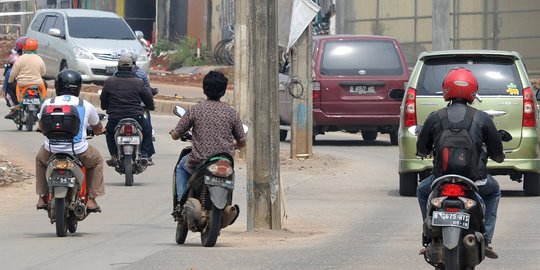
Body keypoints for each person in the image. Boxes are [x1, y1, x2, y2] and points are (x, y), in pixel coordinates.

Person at [416, 67, 505, 259]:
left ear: (446, 89)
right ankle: (487, 238)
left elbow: (422, 149)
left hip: (441, 179)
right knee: (494, 191)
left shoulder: (435, 117)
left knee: (422, 191)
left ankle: (428, 237)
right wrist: (497, 157)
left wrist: (424, 151)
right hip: (476, 180)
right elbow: (497, 153)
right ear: (473, 91)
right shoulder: (482, 117)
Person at [169, 70, 246, 205]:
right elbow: (242, 141)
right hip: (224, 162)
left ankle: (181, 203)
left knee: (181, 166)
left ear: (204, 89)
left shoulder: (195, 110)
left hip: (199, 162)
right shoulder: (231, 113)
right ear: (223, 91)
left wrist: (173, 133)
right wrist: (232, 144)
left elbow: (176, 135)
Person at [35, 70, 106, 211]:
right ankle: (91, 199)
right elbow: (97, 127)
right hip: (79, 150)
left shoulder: (48, 103)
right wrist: (100, 131)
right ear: (78, 87)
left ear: (57, 86)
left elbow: (41, 125)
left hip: (51, 149)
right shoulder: (86, 105)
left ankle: (42, 197)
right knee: (97, 161)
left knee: (39, 160)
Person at [100, 53, 155, 166]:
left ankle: (114, 156)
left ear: (118, 67)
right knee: (148, 130)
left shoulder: (109, 81)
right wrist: (151, 107)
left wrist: (105, 107)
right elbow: (148, 98)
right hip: (136, 116)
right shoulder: (138, 82)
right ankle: (144, 155)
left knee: (109, 132)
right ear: (131, 67)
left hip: (115, 117)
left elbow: (103, 100)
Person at [6, 38, 46, 119]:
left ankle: (16, 104)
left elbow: (13, 72)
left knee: (9, 87)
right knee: (45, 85)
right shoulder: (39, 59)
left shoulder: (20, 59)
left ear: (24, 47)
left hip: (22, 84)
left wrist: (10, 80)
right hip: (37, 83)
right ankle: (41, 103)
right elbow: (43, 72)